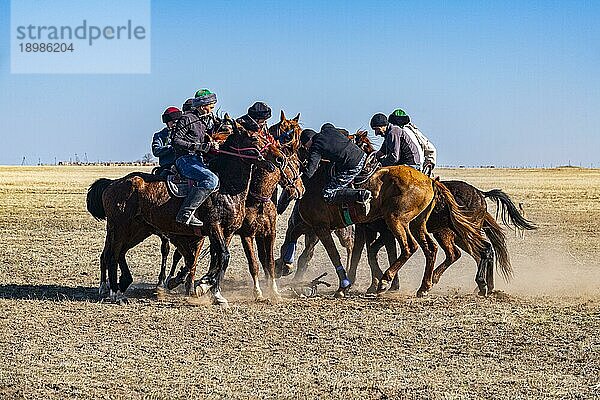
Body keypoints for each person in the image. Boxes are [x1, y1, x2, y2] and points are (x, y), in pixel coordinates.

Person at [170, 89, 220, 227]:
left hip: (197, 160)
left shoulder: (203, 121)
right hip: (185, 160)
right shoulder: (187, 118)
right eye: (211, 107)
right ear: (203, 106)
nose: (212, 110)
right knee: (211, 180)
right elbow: (176, 141)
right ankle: (185, 213)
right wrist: (200, 147)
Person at [299, 123, 371, 210]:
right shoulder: (328, 129)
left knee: (328, 193)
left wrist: (300, 182)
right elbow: (346, 132)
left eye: (306, 145)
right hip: (362, 154)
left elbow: (311, 171)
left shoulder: (315, 147)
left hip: (354, 165)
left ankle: (361, 194)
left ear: (308, 141)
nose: (307, 148)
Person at [388, 109, 437, 176]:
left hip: (411, 168)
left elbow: (395, 156)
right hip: (420, 167)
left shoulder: (397, 132)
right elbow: (431, 149)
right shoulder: (414, 131)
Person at [151, 107, 181, 176]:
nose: (175, 124)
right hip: (167, 167)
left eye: (178, 122)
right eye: (173, 122)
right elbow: (156, 151)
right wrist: (171, 148)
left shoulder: (185, 133)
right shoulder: (159, 135)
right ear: (167, 122)